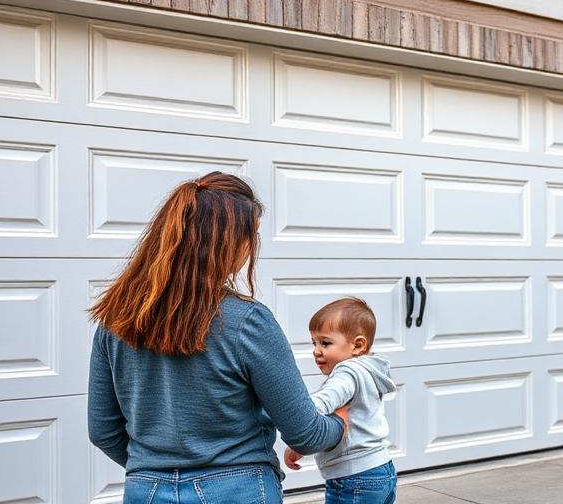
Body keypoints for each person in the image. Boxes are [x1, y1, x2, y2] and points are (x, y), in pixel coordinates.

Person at [87, 172, 347, 504]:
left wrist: (158, 471)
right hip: (237, 490)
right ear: (227, 242)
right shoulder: (248, 322)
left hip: (146, 490)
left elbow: (103, 431)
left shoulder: (116, 320)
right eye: (251, 235)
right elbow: (306, 434)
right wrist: (341, 420)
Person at [284, 297, 398, 504]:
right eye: (314, 343)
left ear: (358, 345)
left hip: (355, 476)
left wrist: (298, 438)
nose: (316, 350)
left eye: (325, 343)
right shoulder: (369, 371)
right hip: (382, 469)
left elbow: (322, 403)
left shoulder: (347, 373)